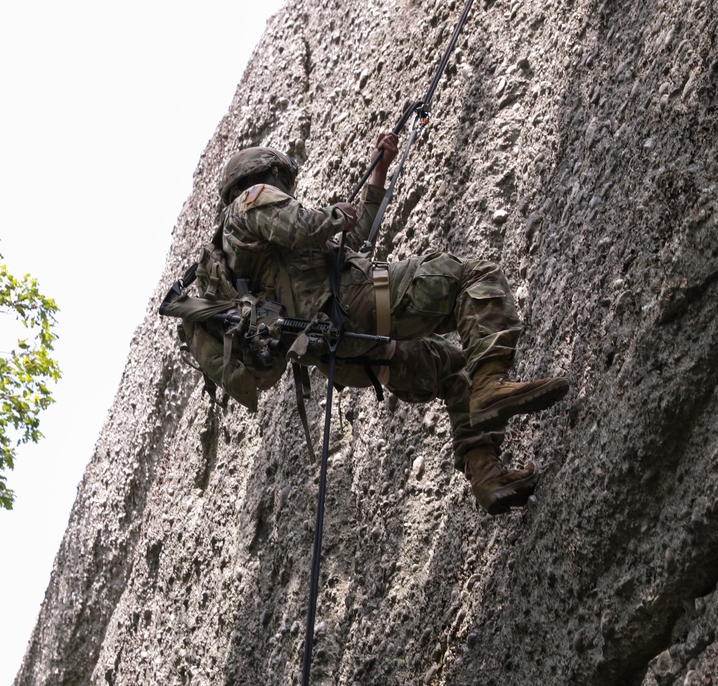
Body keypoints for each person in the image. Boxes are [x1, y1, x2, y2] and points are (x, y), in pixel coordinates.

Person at [216, 133, 569, 514]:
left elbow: (347, 243)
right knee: (472, 276)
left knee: (452, 370)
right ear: (268, 174)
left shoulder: (252, 257)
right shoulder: (249, 202)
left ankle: (487, 476)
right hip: (357, 307)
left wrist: (377, 173)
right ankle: (492, 385)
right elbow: (304, 225)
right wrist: (331, 214)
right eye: (282, 180)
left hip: (347, 351)